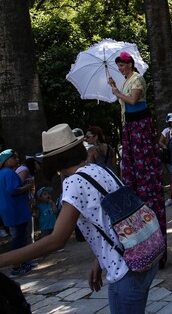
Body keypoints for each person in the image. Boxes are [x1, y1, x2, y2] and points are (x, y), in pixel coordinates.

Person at [0, 124, 158, 312]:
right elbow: (111, 219)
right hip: (140, 255)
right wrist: (99, 261)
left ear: (54, 159)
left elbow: (57, 240)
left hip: (127, 267)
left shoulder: (74, 182)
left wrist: (3, 259)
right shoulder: (99, 170)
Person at [108, 50, 167, 268]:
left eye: (122, 65)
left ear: (130, 63)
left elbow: (132, 101)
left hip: (140, 126)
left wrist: (116, 92)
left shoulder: (137, 78)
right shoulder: (125, 82)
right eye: (119, 66)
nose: (121, 69)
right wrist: (116, 87)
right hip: (130, 128)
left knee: (145, 176)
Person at [0, 149, 35, 277]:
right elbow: (12, 190)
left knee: (20, 236)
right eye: (14, 157)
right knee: (18, 238)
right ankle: (16, 268)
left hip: (8, 209)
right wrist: (27, 187)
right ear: (6, 160)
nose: (17, 159)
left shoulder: (2, 173)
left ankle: (25, 262)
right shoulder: (9, 173)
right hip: (15, 209)